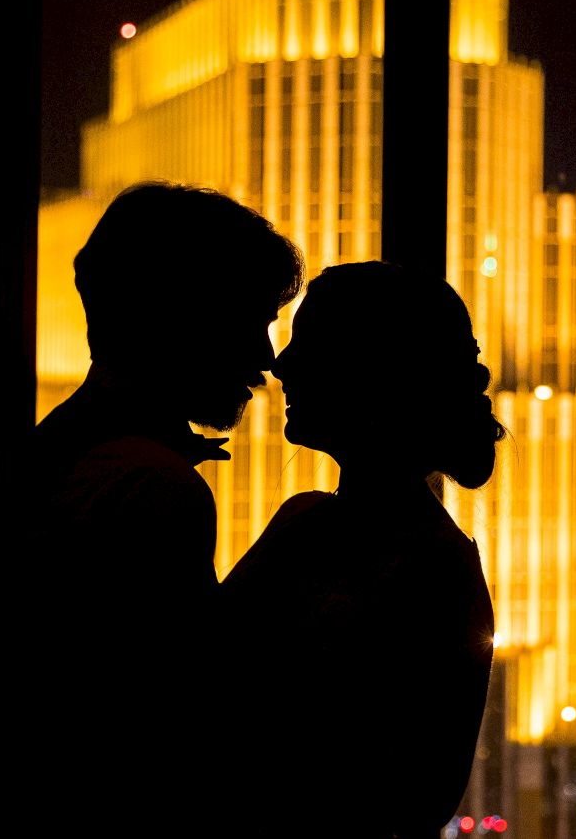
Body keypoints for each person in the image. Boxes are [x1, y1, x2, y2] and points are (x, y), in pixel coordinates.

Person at [11, 181, 303, 829]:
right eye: (249, 321)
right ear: (182, 321)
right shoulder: (152, 490)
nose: (266, 357)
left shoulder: (53, 450)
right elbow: (182, 735)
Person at [220, 261, 501, 838]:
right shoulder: (314, 526)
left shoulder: (429, 568)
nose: (281, 363)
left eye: (311, 344)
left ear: (374, 376)